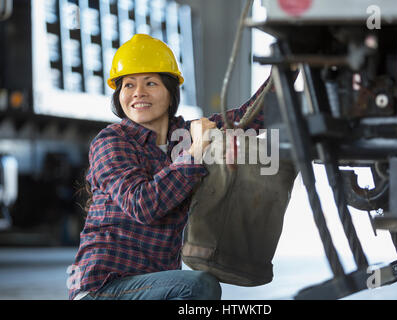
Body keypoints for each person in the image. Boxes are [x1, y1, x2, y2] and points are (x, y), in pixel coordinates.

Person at [68, 34, 270, 300]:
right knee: (198, 286)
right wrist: (196, 152)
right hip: (101, 289)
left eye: (150, 83)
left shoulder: (184, 135)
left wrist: (287, 70)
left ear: (170, 91)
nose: (138, 92)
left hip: (151, 285)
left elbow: (249, 119)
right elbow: (143, 204)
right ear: (119, 95)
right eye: (129, 85)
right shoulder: (111, 141)